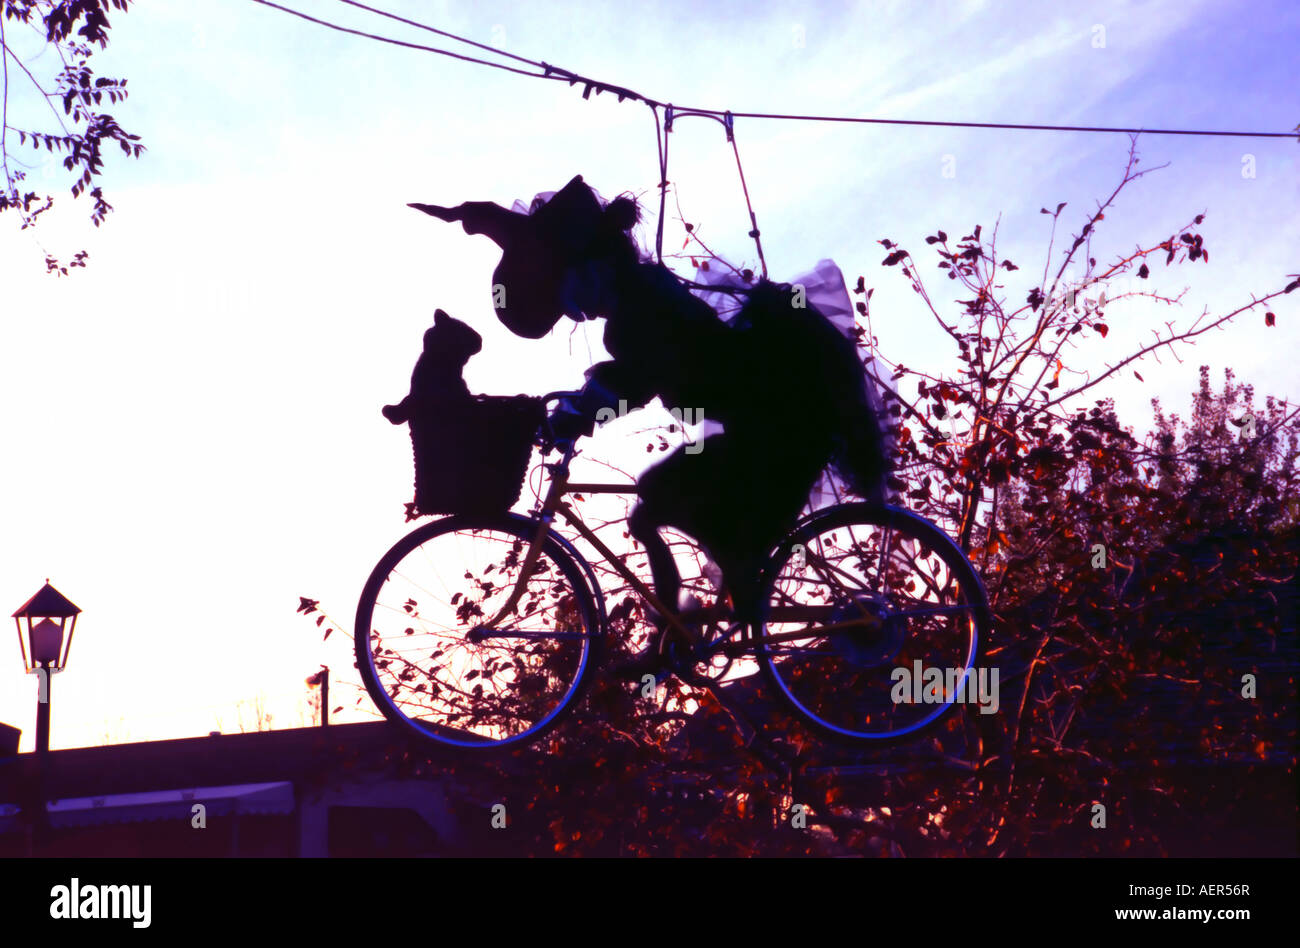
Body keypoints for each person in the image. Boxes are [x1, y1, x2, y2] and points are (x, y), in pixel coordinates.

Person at [409, 175, 886, 626]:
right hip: (760, 424)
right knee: (656, 506)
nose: (575, 311)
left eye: (569, 296)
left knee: (662, 499)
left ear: (592, 269)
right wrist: (577, 408)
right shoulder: (637, 298)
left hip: (774, 425)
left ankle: (705, 605)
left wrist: (574, 414)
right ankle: (680, 622)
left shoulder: (640, 303)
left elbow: (637, 377)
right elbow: (634, 375)